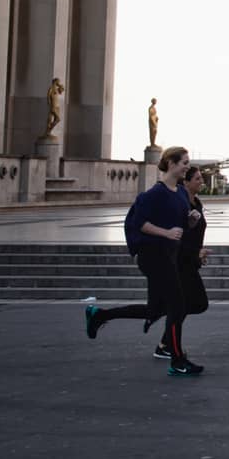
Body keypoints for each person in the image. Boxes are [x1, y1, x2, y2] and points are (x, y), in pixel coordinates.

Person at [84, 146, 203, 376]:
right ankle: (177, 360)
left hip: (168, 256)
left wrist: (191, 221)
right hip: (152, 257)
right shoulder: (154, 194)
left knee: (154, 309)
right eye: (184, 162)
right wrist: (166, 233)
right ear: (171, 164)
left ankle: (99, 315)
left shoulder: (179, 192)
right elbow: (140, 223)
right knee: (177, 306)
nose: (187, 166)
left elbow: (180, 225)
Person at [154, 165, 211, 359]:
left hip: (189, 260)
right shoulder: (180, 205)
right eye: (197, 179)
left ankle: (166, 343)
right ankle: (167, 345)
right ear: (185, 182)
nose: (201, 181)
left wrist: (198, 254)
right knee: (191, 303)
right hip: (179, 261)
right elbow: (179, 238)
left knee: (187, 304)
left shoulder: (197, 203)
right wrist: (196, 252)